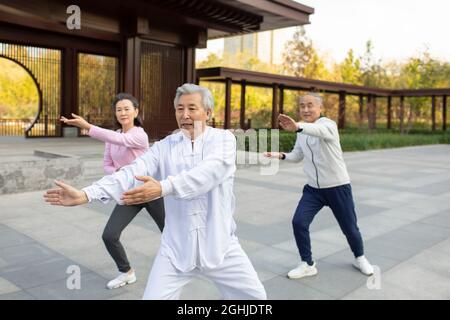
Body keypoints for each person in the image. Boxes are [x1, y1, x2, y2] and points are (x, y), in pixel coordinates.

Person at [46, 84, 266, 300]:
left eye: (192, 108)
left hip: (221, 246)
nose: (185, 114)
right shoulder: (165, 146)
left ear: (208, 112)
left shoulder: (223, 140)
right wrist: (86, 194)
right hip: (176, 249)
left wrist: (162, 187)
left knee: (255, 298)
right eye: (180, 109)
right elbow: (132, 171)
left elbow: (209, 173)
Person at [60, 93, 165, 289]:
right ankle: (126, 272)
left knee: (170, 232)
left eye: (127, 109)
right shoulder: (113, 136)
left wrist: (88, 127)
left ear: (136, 111)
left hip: (150, 191)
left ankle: (187, 264)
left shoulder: (139, 134)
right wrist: (119, 173)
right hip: (128, 193)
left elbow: (120, 140)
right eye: (119, 109)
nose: (123, 113)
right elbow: (107, 164)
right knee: (109, 235)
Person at [264, 92, 374, 279]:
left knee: (350, 228)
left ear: (320, 108)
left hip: (338, 187)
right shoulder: (302, 132)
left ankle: (360, 257)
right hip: (313, 190)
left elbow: (318, 131)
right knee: (299, 222)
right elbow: (297, 155)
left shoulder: (328, 125)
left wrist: (298, 126)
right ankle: (307, 264)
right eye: (302, 106)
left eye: (310, 105)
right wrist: (281, 155)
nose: (305, 109)